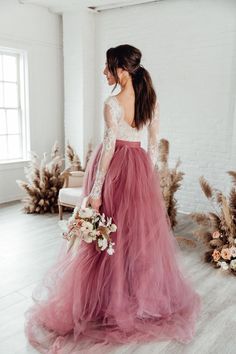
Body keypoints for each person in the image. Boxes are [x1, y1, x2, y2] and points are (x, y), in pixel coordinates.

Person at [25, 44, 202, 354]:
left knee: (107, 237)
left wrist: (95, 193)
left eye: (107, 67)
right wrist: (150, 177)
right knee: (132, 238)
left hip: (116, 170)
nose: (104, 72)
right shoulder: (150, 98)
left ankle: (109, 303)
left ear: (121, 69)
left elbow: (108, 148)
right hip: (139, 169)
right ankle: (133, 298)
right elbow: (153, 141)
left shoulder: (112, 103)